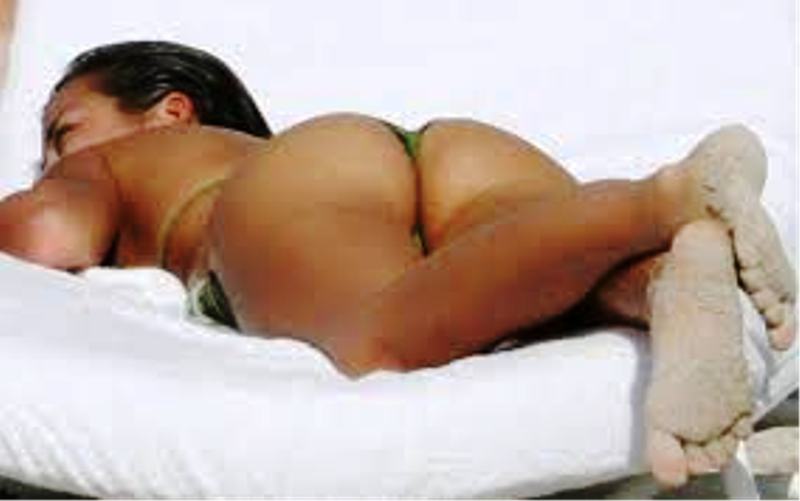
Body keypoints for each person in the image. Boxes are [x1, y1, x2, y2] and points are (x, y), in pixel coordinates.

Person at [0, 40, 795, 489]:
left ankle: (659, 200)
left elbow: (47, 236)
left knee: (372, 331)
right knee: (554, 287)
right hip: (452, 152)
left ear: (171, 109)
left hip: (310, 181)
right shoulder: (263, 153)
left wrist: (43, 193)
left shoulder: (127, 164)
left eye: (63, 131)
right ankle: (657, 278)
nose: (48, 161)